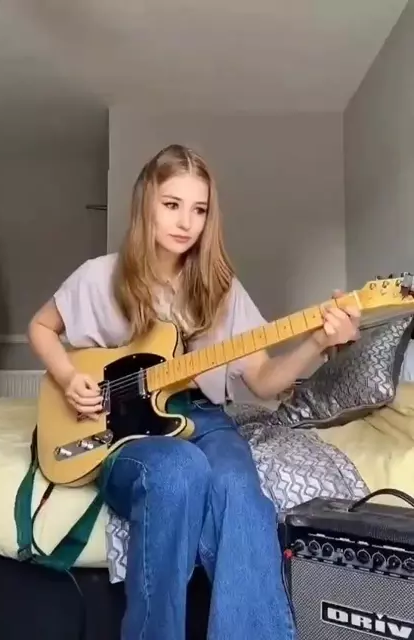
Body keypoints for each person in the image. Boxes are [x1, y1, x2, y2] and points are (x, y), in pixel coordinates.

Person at [28, 144, 360, 640]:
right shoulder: (101, 275)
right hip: (127, 431)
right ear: (146, 204)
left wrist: (317, 341)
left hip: (204, 416)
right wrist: (68, 376)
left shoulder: (221, 288)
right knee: (178, 470)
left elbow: (264, 380)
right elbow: (40, 327)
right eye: (172, 204)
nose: (186, 222)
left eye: (199, 209)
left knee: (238, 489)